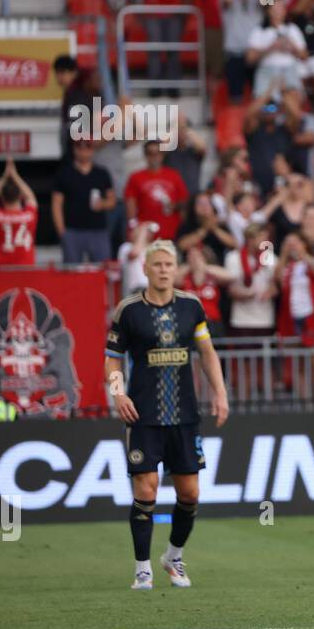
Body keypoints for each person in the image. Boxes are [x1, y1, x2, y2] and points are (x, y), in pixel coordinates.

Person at [106, 240, 230, 591]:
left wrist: (220, 392)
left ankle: (173, 557)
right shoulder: (128, 310)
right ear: (145, 268)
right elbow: (111, 357)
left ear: (176, 269)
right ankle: (142, 568)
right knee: (146, 490)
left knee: (190, 494)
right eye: (157, 264)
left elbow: (207, 352)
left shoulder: (192, 307)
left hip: (185, 415)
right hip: (143, 415)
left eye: (169, 264)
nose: (163, 269)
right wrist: (118, 393)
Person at [0, 159, 38, 268]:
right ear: (20, 196)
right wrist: (15, 175)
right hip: (26, 267)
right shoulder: (29, 215)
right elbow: (31, 197)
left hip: (1, 268)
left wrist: (5, 176)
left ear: (2, 198)